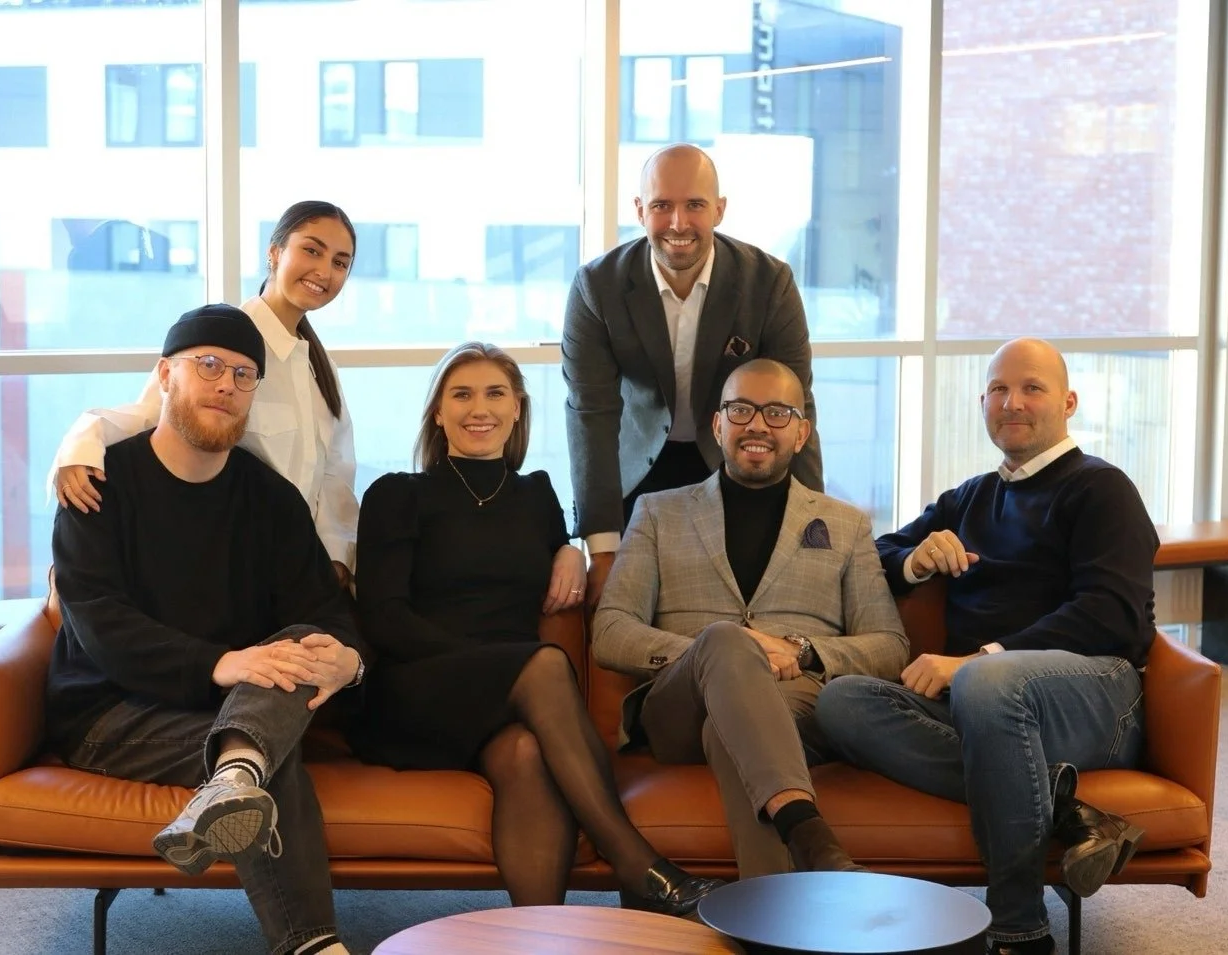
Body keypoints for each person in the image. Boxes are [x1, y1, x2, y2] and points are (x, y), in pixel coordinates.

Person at [350, 342, 722, 915]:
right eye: (462, 394)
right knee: (544, 662)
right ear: (438, 412)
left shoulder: (536, 494)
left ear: (518, 408)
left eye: (496, 393)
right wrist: (491, 670)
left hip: (513, 703)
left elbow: (549, 544)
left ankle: (536, 936)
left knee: (525, 753)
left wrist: (568, 548)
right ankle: (639, 868)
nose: (481, 408)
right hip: (416, 689)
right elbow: (383, 617)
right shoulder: (398, 495)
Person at [814, 338, 1157, 955]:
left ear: (1069, 402)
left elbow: (1113, 616)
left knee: (985, 683)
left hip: (1096, 695)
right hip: (984, 707)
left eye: (1031, 388)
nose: (1012, 402)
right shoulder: (971, 497)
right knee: (841, 700)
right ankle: (1062, 802)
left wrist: (979, 659)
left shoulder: (1101, 488)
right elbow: (875, 553)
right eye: (999, 390)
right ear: (983, 403)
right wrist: (914, 560)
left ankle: (1020, 929)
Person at [46, 304, 368, 955]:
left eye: (243, 374)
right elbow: (99, 622)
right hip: (112, 710)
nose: (226, 384)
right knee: (264, 751)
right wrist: (220, 662)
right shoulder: (101, 485)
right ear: (166, 375)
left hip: (229, 705)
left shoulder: (269, 499)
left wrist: (348, 658)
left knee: (298, 646)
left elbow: (325, 613)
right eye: (209, 365)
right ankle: (311, 939)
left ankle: (233, 776)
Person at [592, 358, 907, 879]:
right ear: (718, 425)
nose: (757, 424)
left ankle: (774, 916)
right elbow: (610, 631)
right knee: (724, 641)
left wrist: (804, 650)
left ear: (802, 432)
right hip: (679, 713)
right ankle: (813, 848)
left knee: (730, 730)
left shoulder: (846, 524)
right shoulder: (656, 512)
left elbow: (891, 645)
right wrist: (719, 653)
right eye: (741, 409)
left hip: (798, 707)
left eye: (777, 412)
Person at [562, 143, 823, 609]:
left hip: (731, 464)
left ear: (719, 210)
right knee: (631, 604)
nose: (678, 224)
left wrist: (814, 527)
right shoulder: (596, 288)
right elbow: (591, 416)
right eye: (662, 206)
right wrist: (601, 553)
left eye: (695, 206)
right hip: (636, 468)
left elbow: (794, 408)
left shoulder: (769, 283)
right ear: (640, 210)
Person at [49, 200, 361, 586]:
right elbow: (151, 416)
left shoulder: (319, 365)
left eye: (340, 262)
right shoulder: (223, 341)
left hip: (296, 573)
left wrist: (335, 562)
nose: (324, 270)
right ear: (275, 251)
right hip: (227, 568)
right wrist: (80, 447)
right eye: (311, 250)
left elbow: (336, 473)